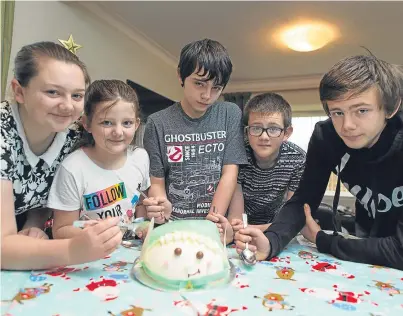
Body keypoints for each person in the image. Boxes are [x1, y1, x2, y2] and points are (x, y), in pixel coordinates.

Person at [234, 55, 403, 270]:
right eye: (337, 112)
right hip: (371, 249)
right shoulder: (327, 137)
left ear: (390, 107)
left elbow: (399, 251)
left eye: (362, 110)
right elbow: (303, 199)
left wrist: (322, 239)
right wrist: (271, 241)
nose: (347, 125)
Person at [1, 41, 122, 270]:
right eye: (53, 92)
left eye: (77, 96)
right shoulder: (3, 135)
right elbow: (3, 248)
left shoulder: (72, 136)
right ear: (19, 91)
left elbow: (43, 189)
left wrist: (33, 222)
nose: (67, 106)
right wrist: (73, 250)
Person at [143, 38, 248, 225]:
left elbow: (230, 174)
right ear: (180, 76)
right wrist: (160, 209)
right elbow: (157, 182)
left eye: (216, 88)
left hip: (215, 224)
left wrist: (212, 221)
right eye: (199, 84)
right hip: (171, 224)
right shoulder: (157, 123)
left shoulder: (230, 114)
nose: (207, 95)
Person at [49, 80, 149, 239]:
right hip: (87, 258)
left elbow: (140, 203)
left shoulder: (140, 157)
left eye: (127, 123)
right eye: (107, 122)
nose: (118, 132)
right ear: (87, 124)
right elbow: (61, 231)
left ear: (137, 124)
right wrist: (92, 233)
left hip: (128, 254)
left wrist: (142, 225)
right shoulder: (73, 168)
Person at [228, 92, 305, 232]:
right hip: (242, 226)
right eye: (256, 128)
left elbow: (293, 216)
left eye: (273, 129)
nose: (264, 137)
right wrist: (242, 228)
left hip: (276, 225)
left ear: (286, 133)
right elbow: (235, 220)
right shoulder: (238, 154)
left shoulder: (297, 159)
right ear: (246, 132)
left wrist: (271, 228)